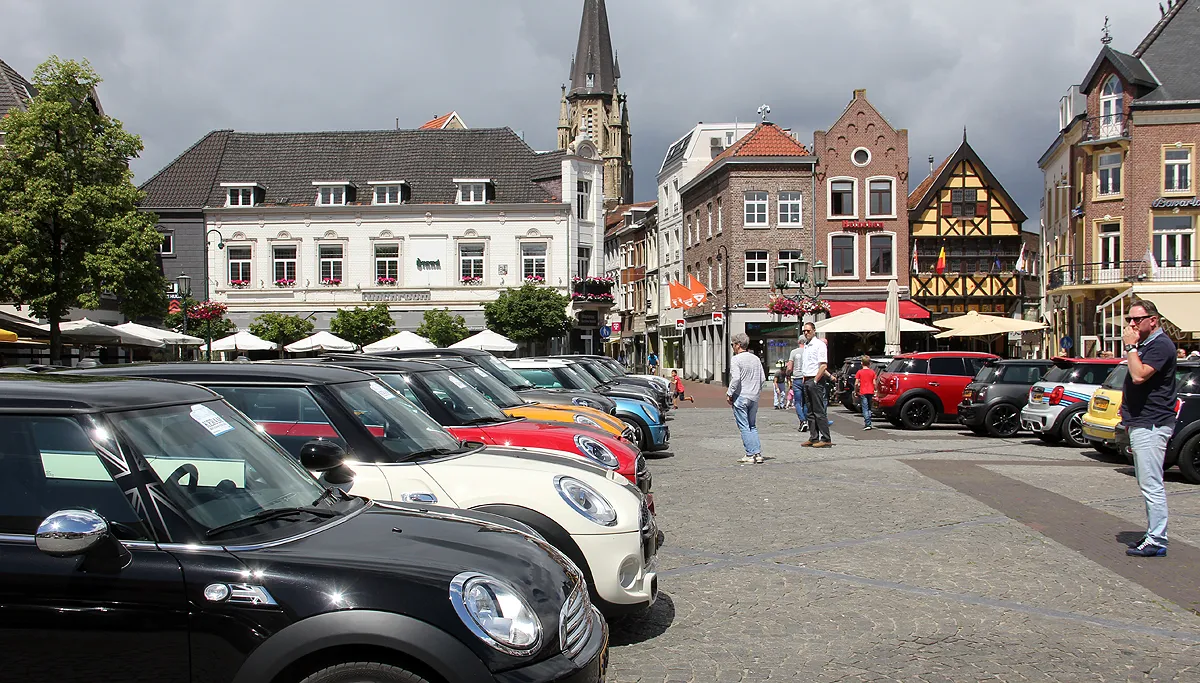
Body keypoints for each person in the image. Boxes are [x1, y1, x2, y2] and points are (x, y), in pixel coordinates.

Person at [1121, 299, 1178, 557]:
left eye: (1137, 320)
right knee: (1146, 482)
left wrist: (1131, 347)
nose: (1131, 324)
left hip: (1152, 423)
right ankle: (1153, 533)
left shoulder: (1161, 345)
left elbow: (1139, 375)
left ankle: (1157, 539)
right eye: (1128, 320)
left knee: (1151, 483)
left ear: (1153, 320)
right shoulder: (1148, 345)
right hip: (1141, 422)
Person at [727, 333, 766, 464]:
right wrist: (757, 391)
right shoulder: (755, 359)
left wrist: (729, 393)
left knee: (744, 426)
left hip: (741, 395)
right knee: (752, 425)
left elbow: (736, 378)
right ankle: (758, 453)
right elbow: (763, 378)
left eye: (733, 344)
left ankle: (750, 454)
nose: (732, 347)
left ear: (738, 345)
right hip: (754, 396)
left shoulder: (736, 359)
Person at [799, 322, 832, 447]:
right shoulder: (806, 345)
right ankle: (814, 437)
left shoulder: (820, 345)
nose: (806, 333)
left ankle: (826, 438)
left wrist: (815, 380)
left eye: (808, 330)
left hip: (815, 380)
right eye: (804, 331)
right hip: (807, 379)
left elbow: (823, 365)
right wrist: (804, 378)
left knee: (818, 410)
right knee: (810, 411)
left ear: (814, 330)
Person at [785, 336, 809, 432]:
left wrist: (787, 373)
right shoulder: (808, 351)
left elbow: (790, 367)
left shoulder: (794, 352)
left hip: (797, 379)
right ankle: (805, 421)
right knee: (806, 402)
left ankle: (802, 421)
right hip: (807, 378)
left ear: (798, 342)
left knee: (797, 402)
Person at [854, 354, 877, 430]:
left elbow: (856, 383)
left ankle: (868, 423)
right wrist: (875, 390)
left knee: (865, 408)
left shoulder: (859, 372)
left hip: (863, 392)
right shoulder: (872, 372)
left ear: (861, 363)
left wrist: (856, 390)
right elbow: (874, 383)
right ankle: (869, 421)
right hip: (871, 391)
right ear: (869, 363)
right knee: (869, 408)